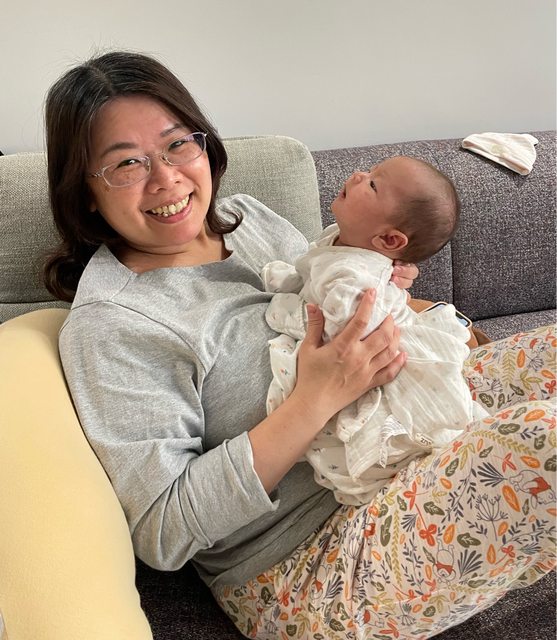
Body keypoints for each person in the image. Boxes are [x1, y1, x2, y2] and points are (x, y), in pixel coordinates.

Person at [43, 50, 555, 640]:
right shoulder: (116, 324)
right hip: (306, 561)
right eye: (127, 163)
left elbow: (328, 290)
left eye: (177, 144)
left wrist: (381, 281)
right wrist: (314, 399)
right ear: (85, 190)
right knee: (542, 440)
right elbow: (162, 530)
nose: (167, 179)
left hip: (393, 438)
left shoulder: (246, 218)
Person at [261, 156, 489, 505]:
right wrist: (287, 278)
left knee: (418, 433)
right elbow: (312, 274)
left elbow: (334, 329)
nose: (357, 174)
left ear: (389, 239)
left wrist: (279, 308)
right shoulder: (343, 239)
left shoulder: (354, 279)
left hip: (380, 357)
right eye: (369, 172)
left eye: (372, 184)